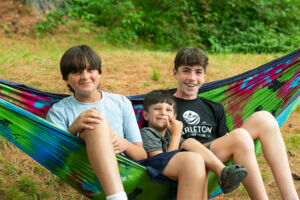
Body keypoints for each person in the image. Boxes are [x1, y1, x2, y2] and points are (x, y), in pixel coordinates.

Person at [172, 47, 299, 199]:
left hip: (214, 153)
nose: (192, 77)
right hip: (183, 156)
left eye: (198, 72)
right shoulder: (162, 103)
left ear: (204, 76)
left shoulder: (213, 107)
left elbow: (225, 138)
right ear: (175, 73)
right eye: (186, 71)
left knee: (265, 118)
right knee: (240, 137)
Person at [46, 45, 147, 200]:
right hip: (83, 171)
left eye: (91, 69)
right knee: (95, 122)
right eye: (76, 72)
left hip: (125, 171)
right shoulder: (59, 111)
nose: (85, 76)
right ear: (66, 79)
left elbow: (141, 155)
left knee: (95, 121)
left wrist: (124, 144)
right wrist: (74, 128)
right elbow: (54, 156)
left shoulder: (121, 103)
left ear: (99, 73)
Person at [140, 89, 248, 194]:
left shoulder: (170, 133)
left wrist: (176, 135)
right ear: (146, 115)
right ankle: (223, 173)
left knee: (190, 142)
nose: (163, 113)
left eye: (168, 110)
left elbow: (183, 148)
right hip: (157, 173)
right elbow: (162, 162)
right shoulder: (147, 132)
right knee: (190, 150)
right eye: (157, 109)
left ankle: (223, 172)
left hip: (179, 166)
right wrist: (176, 134)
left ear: (174, 117)